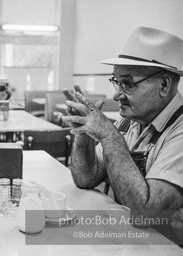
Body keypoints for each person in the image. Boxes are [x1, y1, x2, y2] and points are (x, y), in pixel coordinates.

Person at [62, 26, 183, 244]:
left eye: (127, 84)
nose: (117, 95)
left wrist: (109, 136)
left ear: (164, 85)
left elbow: (144, 213)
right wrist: (84, 135)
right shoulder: (131, 121)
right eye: (116, 82)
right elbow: (85, 178)